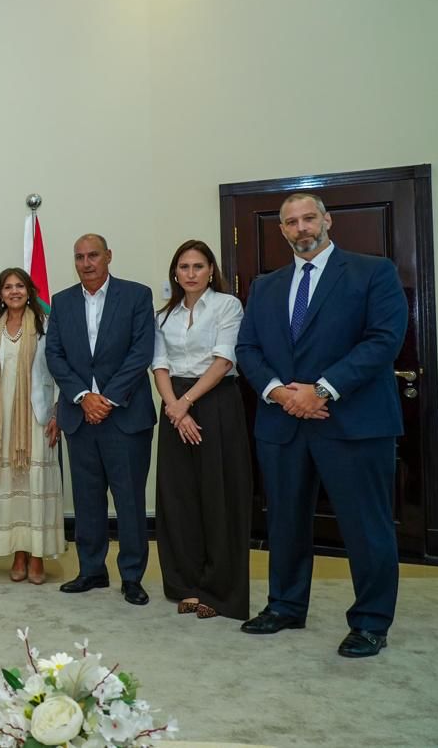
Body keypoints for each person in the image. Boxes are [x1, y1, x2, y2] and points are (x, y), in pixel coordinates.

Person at [235, 193, 407, 657]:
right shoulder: (265, 286)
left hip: (352, 422)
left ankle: (371, 621)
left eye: (309, 218)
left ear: (327, 220)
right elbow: (247, 349)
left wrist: (322, 389)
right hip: (283, 423)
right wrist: (279, 392)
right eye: (291, 222)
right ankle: (286, 605)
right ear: (282, 231)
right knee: (286, 522)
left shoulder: (373, 272)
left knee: (364, 526)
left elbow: (384, 340)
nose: (301, 228)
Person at [45, 233, 155, 606]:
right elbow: (55, 355)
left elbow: (141, 352)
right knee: (87, 500)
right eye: (79, 257)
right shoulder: (61, 302)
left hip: (124, 415)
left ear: (108, 256)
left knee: (129, 500)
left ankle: (132, 576)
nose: (86, 263)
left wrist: (105, 399)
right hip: (80, 416)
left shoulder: (137, 296)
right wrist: (82, 397)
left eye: (93, 255)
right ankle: (91, 569)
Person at [150, 240, 251, 620]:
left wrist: (185, 402)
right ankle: (186, 585)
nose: (190, 273)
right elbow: (159, 364)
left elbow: (224, 360)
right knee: (179, 500)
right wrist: (174, 407)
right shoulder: (165, 315)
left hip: (215, 402)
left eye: (198, 266)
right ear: (175, 273)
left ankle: (219, 590)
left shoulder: (227, 306)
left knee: (218, 497)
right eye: (183, 267)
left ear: (211, 270)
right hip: (174, 402)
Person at [0, 267, 61, 585]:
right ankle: (17, 553)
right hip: (0, 423)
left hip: (37, 418)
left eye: (19, 286)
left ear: (30, 291)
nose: (13, 292)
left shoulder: (46, 324)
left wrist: (57, 414)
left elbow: (58, 371)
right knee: (9, 488)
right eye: (7, 287)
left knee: (36, 487)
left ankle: (38, 556)